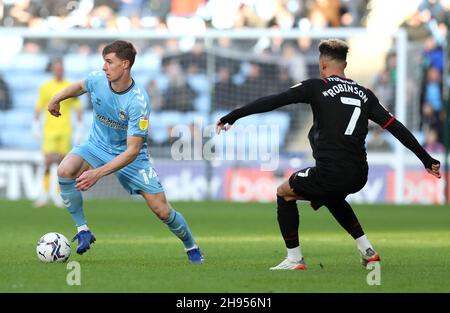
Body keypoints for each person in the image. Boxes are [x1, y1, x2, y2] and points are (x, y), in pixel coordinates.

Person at [216, 39, 441, 270]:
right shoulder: (365, 94)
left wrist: (233, 115)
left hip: (331, 171)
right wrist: (427, 159)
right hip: (359, 173)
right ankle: (367, 251)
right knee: (333, 196)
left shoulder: (316, 87)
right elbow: (396, 127)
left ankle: (294, 259)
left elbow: (273, 101)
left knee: (284, 192)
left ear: (322, 64)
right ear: (344, 64)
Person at [47, 40, 204, 263]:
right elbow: (80, 86)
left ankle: (192, 247)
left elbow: (132, 150)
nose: (104, 67)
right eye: (104, 62)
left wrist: (97, 173)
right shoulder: (98, 80)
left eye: (109, 62)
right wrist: (56, 98)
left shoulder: (138, 102)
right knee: (65, 170)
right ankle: (83, 230)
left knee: (162, 211)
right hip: (96, 145)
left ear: (125, 65)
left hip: (132, 158)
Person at [33, 57, 83, 208]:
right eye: (56, 68)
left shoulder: (69, 86)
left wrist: (80, 126)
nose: (58, 70)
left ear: (63, 69)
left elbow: (77, 108)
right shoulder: (45, 87)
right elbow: (39, 106)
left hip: (65, 130)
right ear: (53, 70)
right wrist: (35, 124)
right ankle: (44, 193)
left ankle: (59, 194)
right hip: (49, 130)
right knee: (47, 161)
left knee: (62, 165)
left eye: (60, 68)